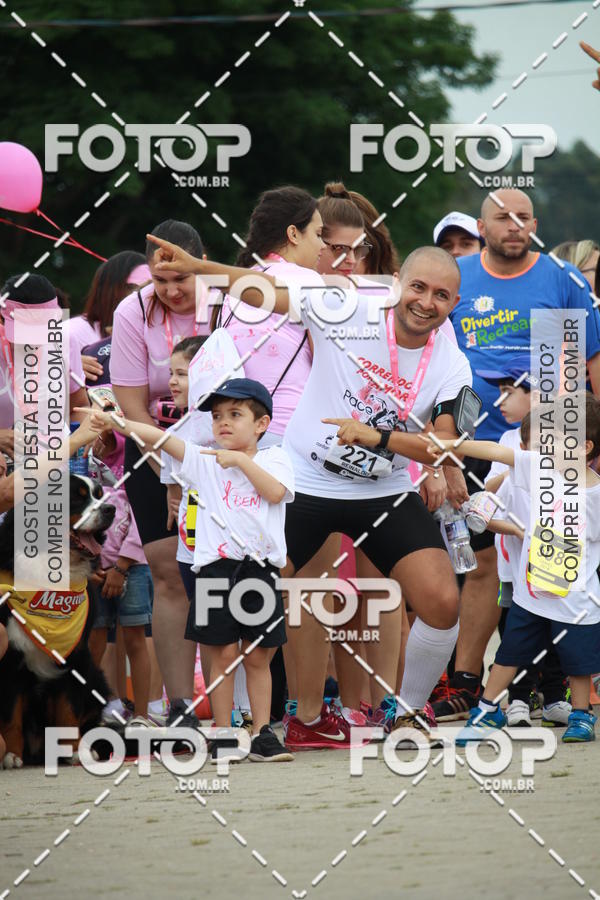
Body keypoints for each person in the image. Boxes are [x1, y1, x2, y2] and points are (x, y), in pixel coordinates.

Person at [146, 234, 473, 749]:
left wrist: (378, 438)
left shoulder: (451, 357)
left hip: (379, 491)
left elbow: (442, 446)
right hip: (305, 480)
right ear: (398, 285)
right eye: (418, 287)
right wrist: (198, 266)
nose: (426, 302)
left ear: (454, 303)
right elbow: (267, 292)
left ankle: (407, 715)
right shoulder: (352, 309)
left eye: (441, 296)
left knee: (442, 600)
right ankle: (241, 726)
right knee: (245, 591)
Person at [434, 188, 600, 722]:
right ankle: (467, 681)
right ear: (482, 227)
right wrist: (446, 454)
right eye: (502, 218)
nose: (513, 225)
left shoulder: (560, 279)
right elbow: (441, 362)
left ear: (535, 224)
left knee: (552, 558)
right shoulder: (459, 275)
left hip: (551, 433)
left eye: (523, 217)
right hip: (471, 430)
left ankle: (551, 689)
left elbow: (585, 361)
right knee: (483, 565)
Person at [78, 377, 296, 762]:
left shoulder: (274, 458)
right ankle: (225, 734)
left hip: (258, 571)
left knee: (260, 655)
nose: (223, 423)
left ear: (261, 424)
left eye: (235, 415)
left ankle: (262, 732)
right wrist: (116, 422)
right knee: (223, 654)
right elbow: (160, 438)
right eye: (216, 417)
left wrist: (242, 461)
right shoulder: (201, 459)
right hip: (214, 571)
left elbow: (276, 493)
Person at [424, 394, 600, 745]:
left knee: (578, 660)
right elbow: (496, 451)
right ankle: (488, 710)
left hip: (577, 595)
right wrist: (454, 443)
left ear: (583, 447)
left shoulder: (595, 493)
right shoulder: (538, 467)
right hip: (529, 591)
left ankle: (581, 714)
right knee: (509, 654)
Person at [110, 219, 210, 728]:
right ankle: (179, 705)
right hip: (153, 450)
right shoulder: (132, 310)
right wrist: (171, 466)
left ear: (199, 266)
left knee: (221, 575)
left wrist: (198, 464)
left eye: (181, 279)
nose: (170, 291)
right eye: (159, 279)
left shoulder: (229, 305)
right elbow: (131, 406)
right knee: (169, 574)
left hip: (222, 452)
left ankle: (243, 702)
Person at [476, 366, 570, 727]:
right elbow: (488, 493)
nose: (499, 401)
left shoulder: (566, 440)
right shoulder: (507, 442)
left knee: (557, 624)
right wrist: (517, 465)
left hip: (558, 557)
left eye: (508, 391)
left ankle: (554, 695)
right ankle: (517, 697)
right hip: (514, 564)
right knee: (517, 626)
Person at [69, 251, 150, 383]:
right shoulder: (73, 331)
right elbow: (30, 369)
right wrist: (61, 367)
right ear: (110, 289)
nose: (144, 296)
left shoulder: (156, 334)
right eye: (135, 288)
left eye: (151, 288)